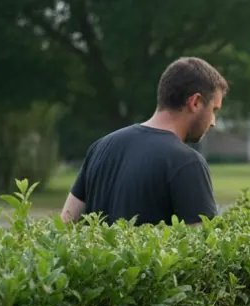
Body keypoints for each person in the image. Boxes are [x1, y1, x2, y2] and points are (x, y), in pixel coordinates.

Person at [61, 57, 226, 226]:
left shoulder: (100, 147)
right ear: (195, 102)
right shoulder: (187, 163)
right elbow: (202, 247)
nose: (213, 121)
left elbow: (66, 223)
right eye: (214, 110)